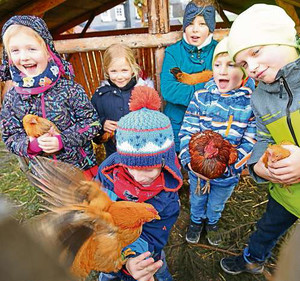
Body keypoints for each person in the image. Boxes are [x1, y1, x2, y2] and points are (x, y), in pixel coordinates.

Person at [219, 4, 300, 275]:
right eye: (243, 63)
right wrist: (258, 165)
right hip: (287, 194)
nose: (251, 67)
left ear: (283, 39)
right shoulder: (260, 97)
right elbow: (264, 137)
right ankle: (253, 258)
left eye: (256, 52)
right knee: (266, 227)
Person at [97, 86, 183, 281]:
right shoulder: (108, 175)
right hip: (108, 250)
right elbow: (94, 202)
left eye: (149, 170)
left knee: (157, 270)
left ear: (165, 164)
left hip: (145, 255)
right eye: (131, 168)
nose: (138, 177)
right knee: (107, 274)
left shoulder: (167, 194)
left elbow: (155, 233)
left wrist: (132, 259)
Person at [0, 15, 101, 179]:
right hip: (46, 175)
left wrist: (63, 140)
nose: (24, 57)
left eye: (31, 49)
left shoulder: (69, 89)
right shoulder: (13, 99)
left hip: (80, 169)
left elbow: (92, 123)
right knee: (56, 205)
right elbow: (10, 137)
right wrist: (32, 145)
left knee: (87, 204)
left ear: (48, 52)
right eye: (15, 51)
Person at [179, 37, 256, 246]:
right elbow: (187, 130)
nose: (222, 71)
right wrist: (189, 161)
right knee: (197, 200)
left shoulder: (251, 103)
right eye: (217, 64)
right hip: (198, 171)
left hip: (227, 174)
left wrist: (232, 165)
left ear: (244, 71)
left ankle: (212, 222)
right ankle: (196, 221)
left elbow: (252, 140)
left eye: (231, 64)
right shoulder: (200, 97)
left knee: (216, 203)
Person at [160, 0, 218, 152]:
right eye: (190, 23)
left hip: (211, 123)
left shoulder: (219, 51)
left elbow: (224, 87)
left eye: (202, 24)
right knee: (179, 167)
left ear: (211, 28)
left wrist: (188, 86)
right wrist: (205, 90)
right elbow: (169, 90)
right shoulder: (173, 52)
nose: (195, 30)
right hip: (178, 122)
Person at [91, 43, 153, 158]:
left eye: (124, 70)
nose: (119, 77)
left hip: (142, 152)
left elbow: (155, 121)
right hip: (114, 155)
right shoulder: (100, 96)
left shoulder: (144, 92)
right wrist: (102, 123)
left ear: (133, 68)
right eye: (114, 71)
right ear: (106, 71)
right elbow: (91, 122)